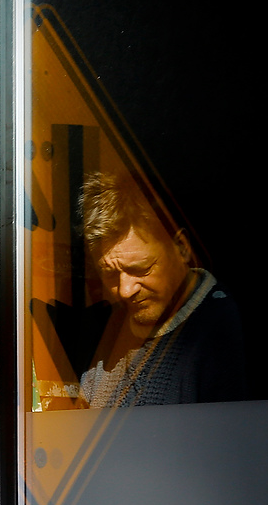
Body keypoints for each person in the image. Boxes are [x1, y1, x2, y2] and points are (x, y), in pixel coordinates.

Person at [78, 172, 245, 407]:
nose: (125, 290)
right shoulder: (104, 327)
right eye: (111, 274)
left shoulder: (224, 331)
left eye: (141, 269)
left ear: (182, 248)